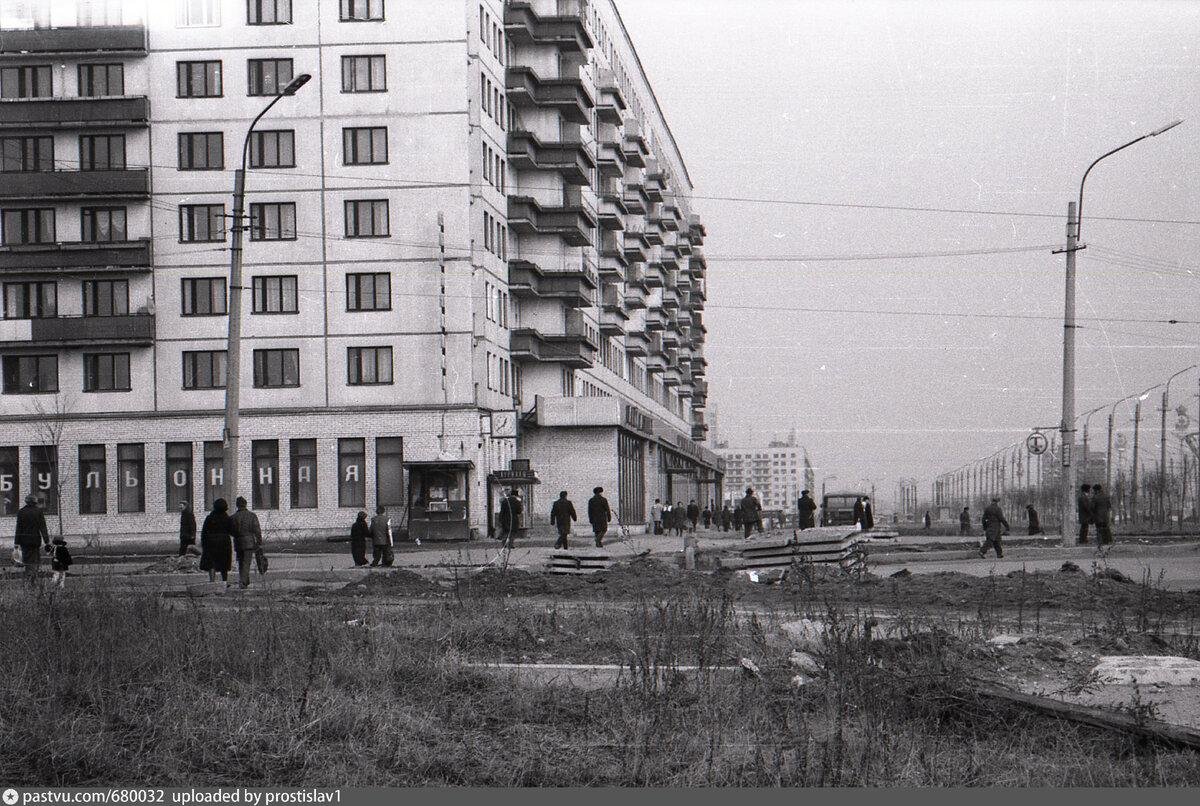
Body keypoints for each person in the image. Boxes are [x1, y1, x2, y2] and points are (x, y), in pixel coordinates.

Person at [14, 495, 51, 589]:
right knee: (35, 560)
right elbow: (43, 527)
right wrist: (47, 541)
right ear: (35, 502)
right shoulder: (38, 511)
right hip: (35, 540)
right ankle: (32, 581)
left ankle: (28, 581)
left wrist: (16, 543)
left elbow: (18, 528)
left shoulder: (21, 512)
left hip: (24, 541)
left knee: (27, 560)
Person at [200, 498, 234, 585]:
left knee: (211, 563)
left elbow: (204, 532)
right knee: (224, 563)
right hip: (224, 543)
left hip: (211, 543)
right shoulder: (227, 518)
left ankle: (212, 581)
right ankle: (224, 581)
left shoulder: (209, 518)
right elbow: (232, 531)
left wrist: (204, 544)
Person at [231, 496, 263, 589]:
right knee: (246, 562)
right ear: (245, 504)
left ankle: (245, 580)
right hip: (249, 542)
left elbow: (231, 530)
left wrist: (236, 536)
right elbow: (257, 529)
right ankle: (243, 582)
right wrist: (259, 541)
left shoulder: (233, 517)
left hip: (238, 542)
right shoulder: (252, 515)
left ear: (237, 505)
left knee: (241, 562)